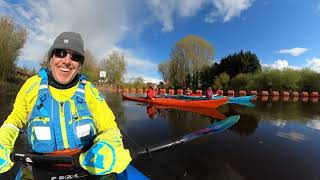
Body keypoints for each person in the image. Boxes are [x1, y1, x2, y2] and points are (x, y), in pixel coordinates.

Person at [0, 32, 131, 179]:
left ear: (79, 64)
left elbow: (109, 128)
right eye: (60, 53)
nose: (67, 61)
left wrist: (108, 145)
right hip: (38, 164)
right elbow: (14, 121)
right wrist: (3, 141)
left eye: (75, 57)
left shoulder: (90, 91)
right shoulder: (31, 86)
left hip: (85, 164)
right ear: (51, 58)